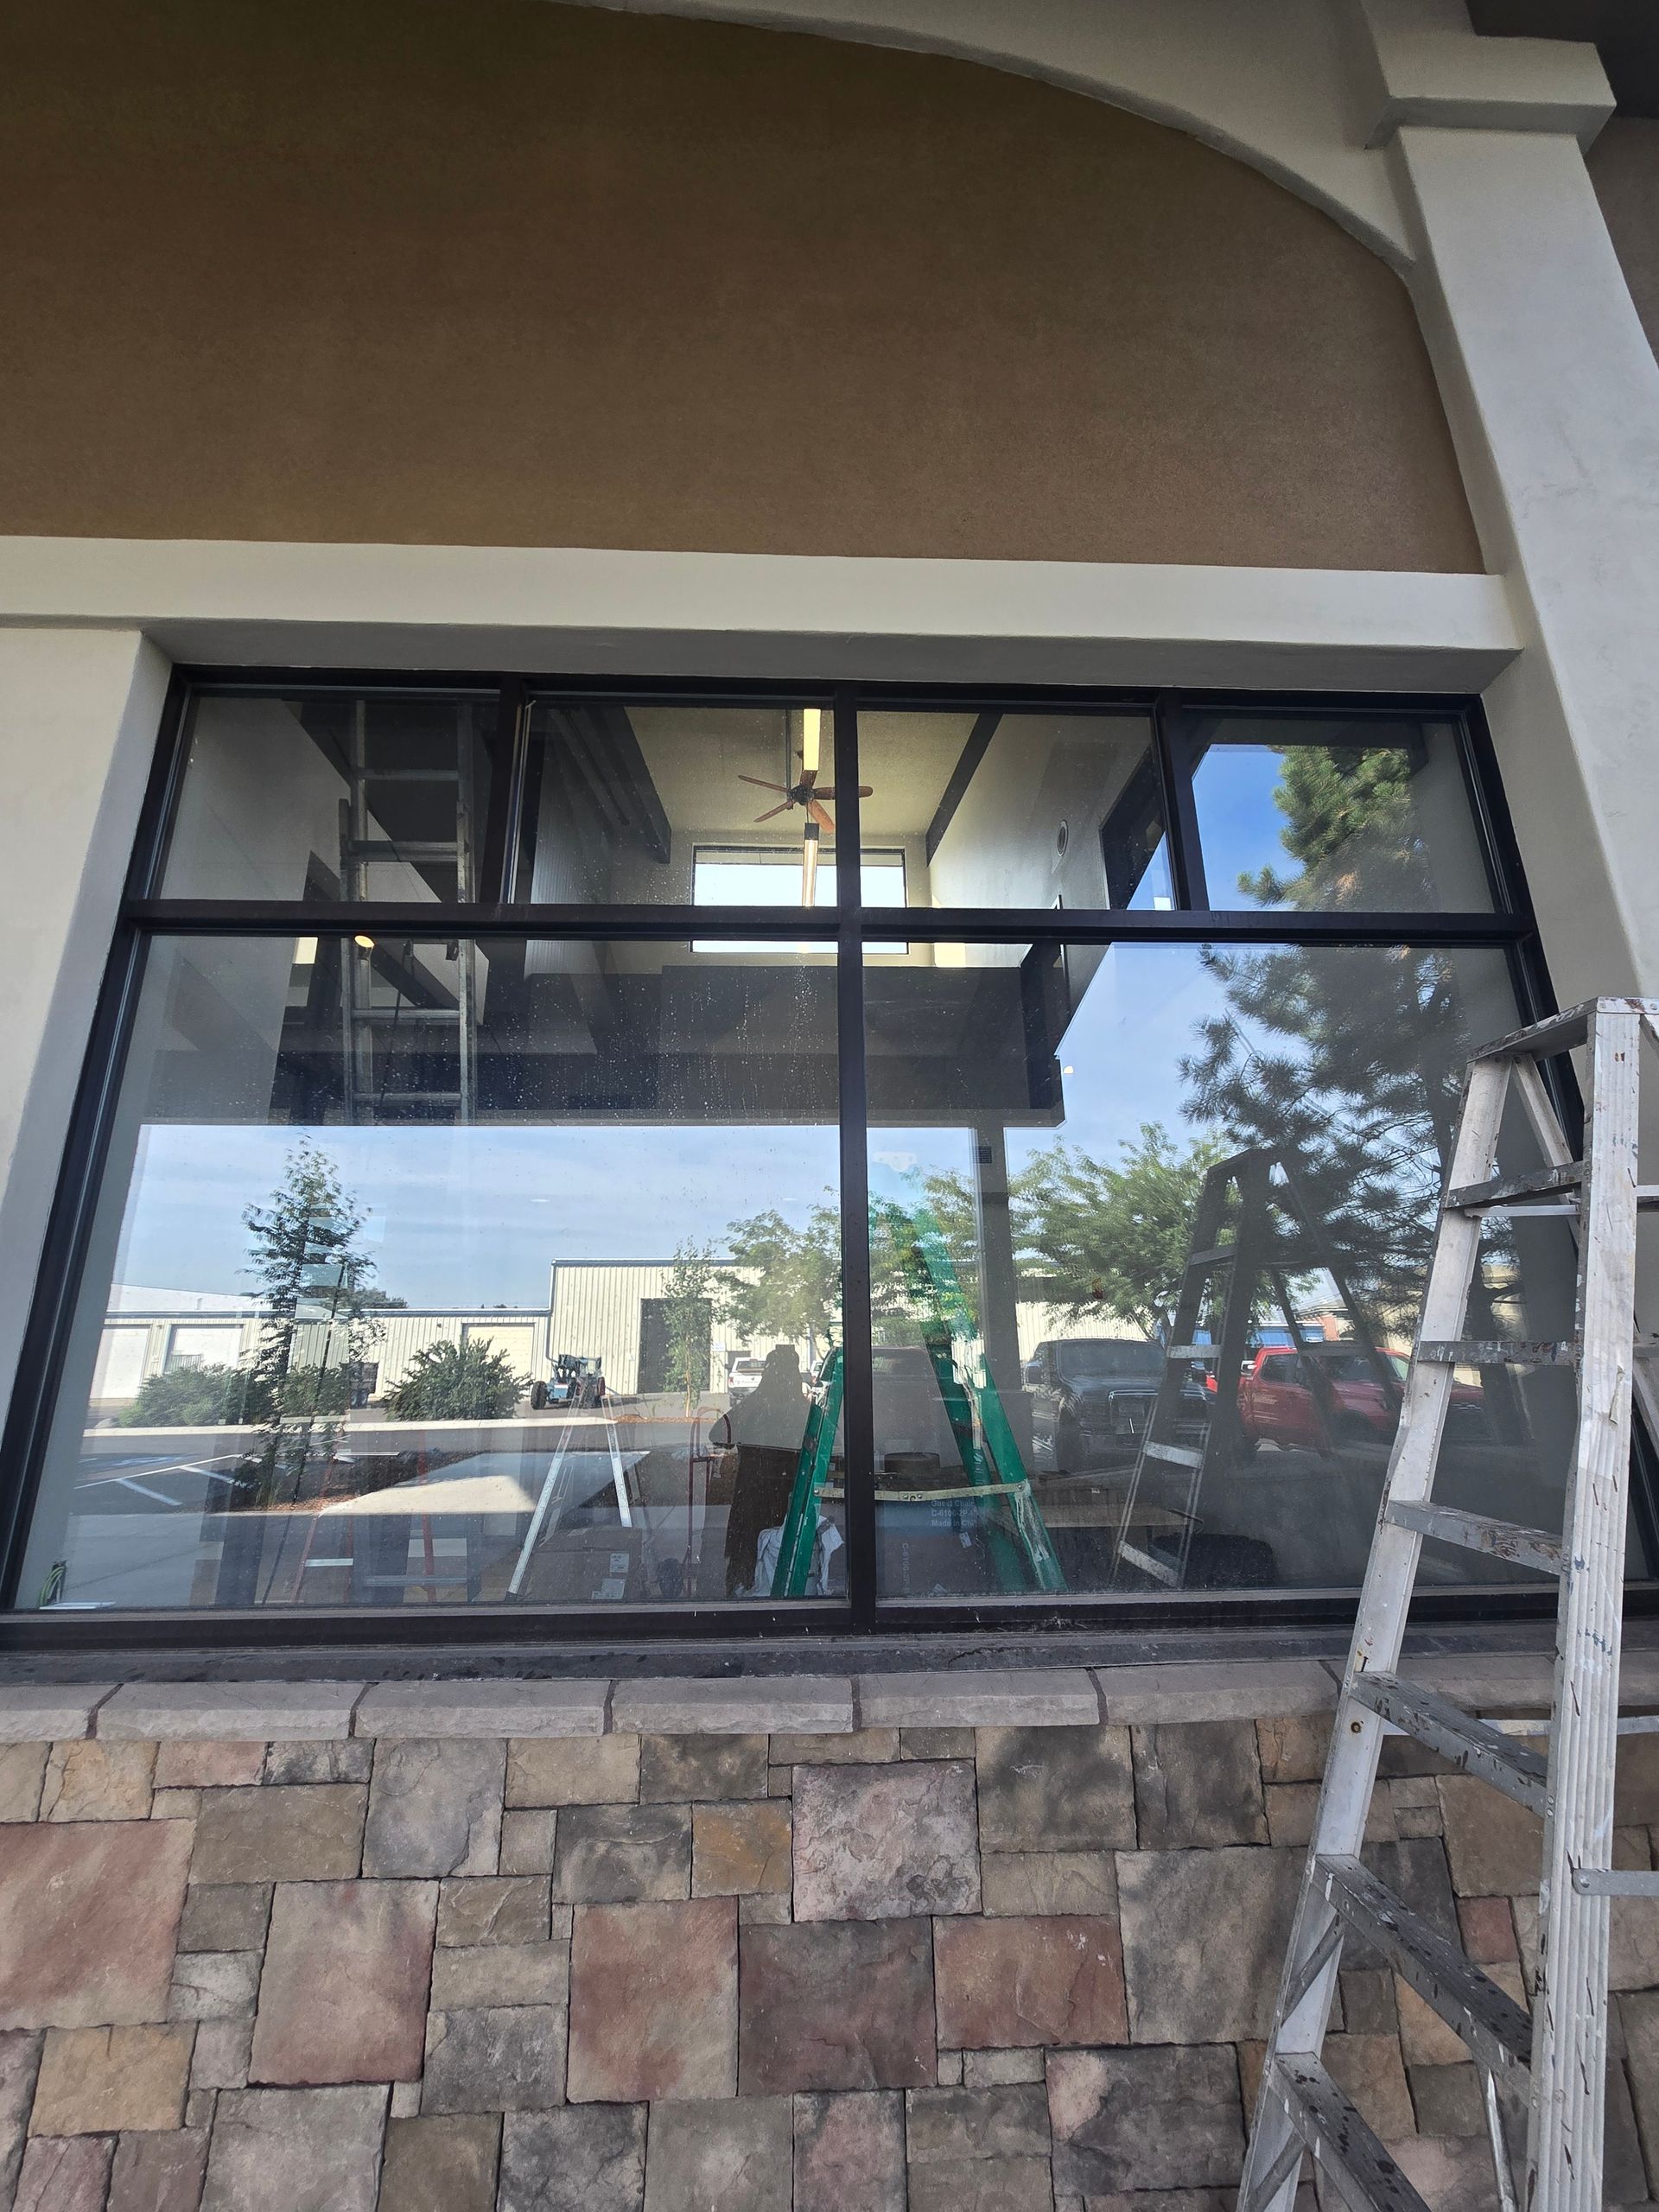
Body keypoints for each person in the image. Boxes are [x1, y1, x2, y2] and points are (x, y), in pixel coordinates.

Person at [708, 1345, 808, 1596]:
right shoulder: (804, 1410)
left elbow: (718, 1435)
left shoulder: (752, 1405)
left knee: (748, 1557)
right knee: (783, 1555)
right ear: (795, 1377)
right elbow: (837, 1443)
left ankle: (742, 1602)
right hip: (787, 1496)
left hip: (753, 1495)